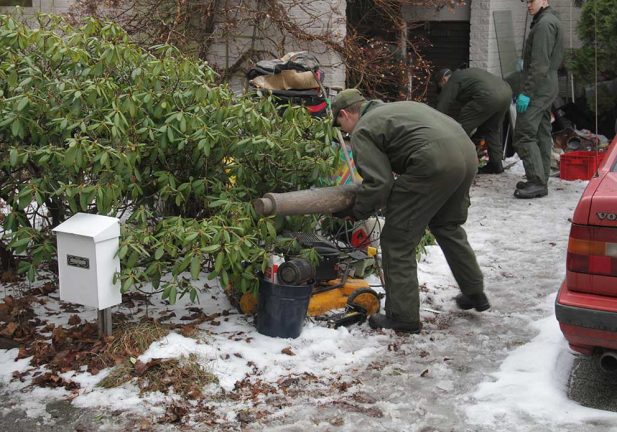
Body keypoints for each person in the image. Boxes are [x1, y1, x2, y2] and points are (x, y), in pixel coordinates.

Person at [331, 89, 489, 334]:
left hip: (432, 163)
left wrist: (357, 211)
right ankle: (475, 291)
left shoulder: (363, 128)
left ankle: (402, 317)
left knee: (397, 241)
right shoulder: (397, 110)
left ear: (344, 114)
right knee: (447, 226)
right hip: (467, 156)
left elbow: (380, 184)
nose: (345, 132)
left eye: (342, 126)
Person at [512, 0, 563, 199]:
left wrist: (527, 91)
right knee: (542, 131)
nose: (528, 5)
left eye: (531, 1)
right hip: (546, 85)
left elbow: (540, 64)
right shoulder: (549, 20)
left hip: (539, 87)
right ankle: (541, 177)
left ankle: (536, 181)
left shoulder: (544, 24)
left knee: (524, 134)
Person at [435, 68, 513, 174]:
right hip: (506, 92)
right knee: (492, 130)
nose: (443, 89)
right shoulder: (466, 74)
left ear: (443, 80)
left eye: (441, 87)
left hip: (487, 96)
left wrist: (434, 122)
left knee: (460, 130)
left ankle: (454, 164)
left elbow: (443, 104)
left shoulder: (453, 79)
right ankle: (496, 165)